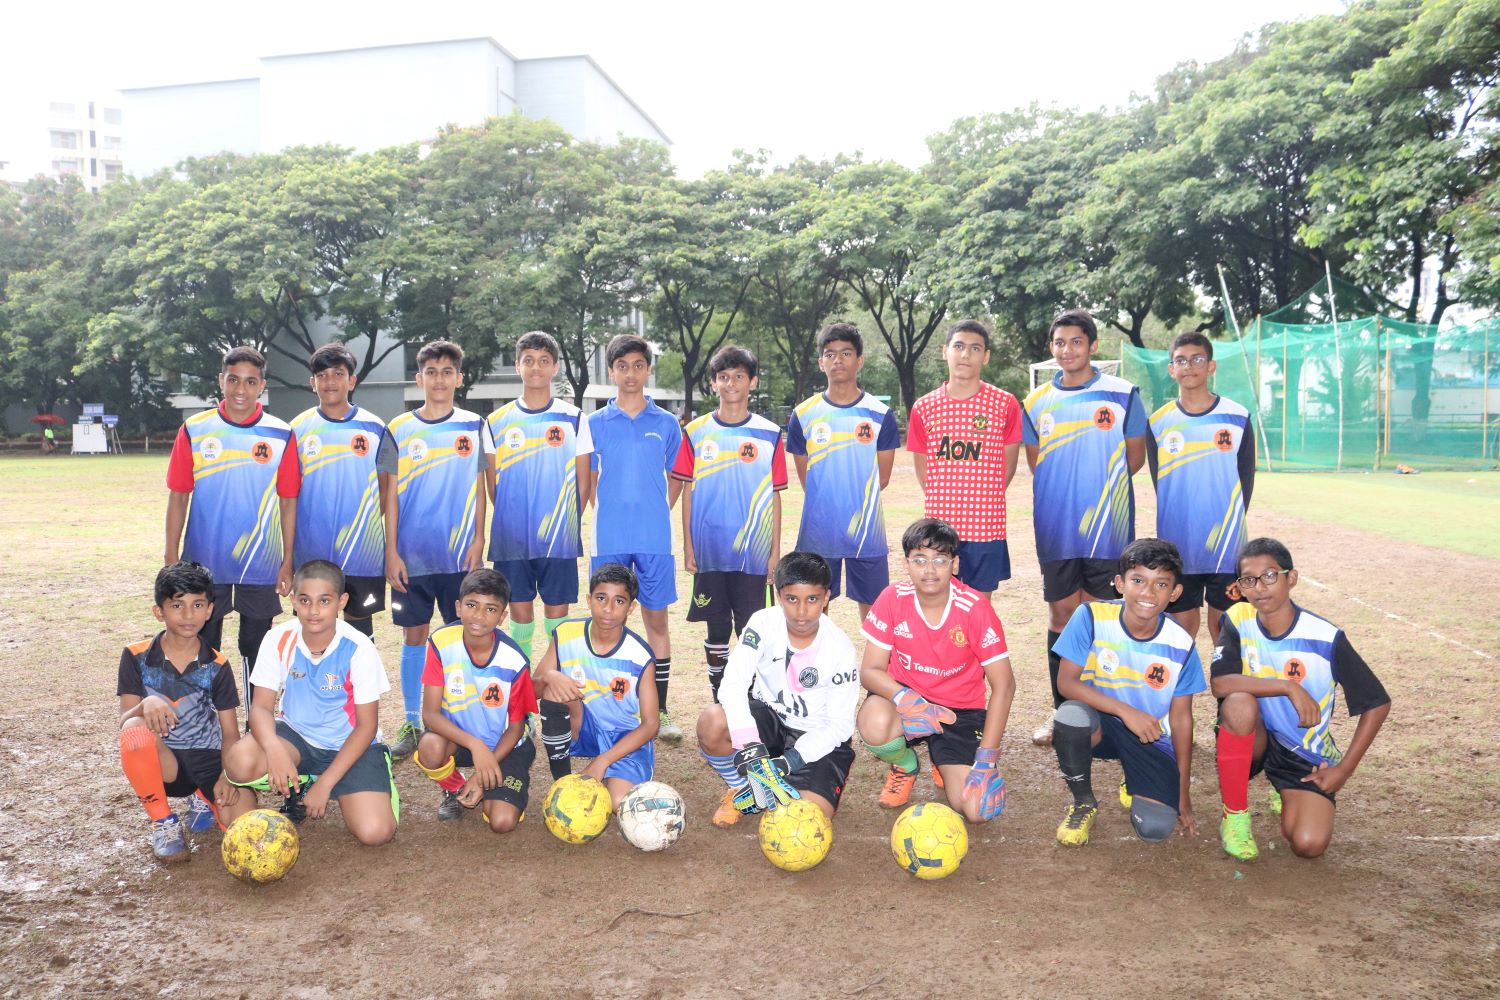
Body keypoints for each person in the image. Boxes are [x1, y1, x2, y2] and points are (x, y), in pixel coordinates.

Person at [1211, 537, 1391, 861]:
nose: (1259, 587)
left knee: (1308, 844)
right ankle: (1234, 816)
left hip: (1302, 751)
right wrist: (1288, 687)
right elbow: (1220, 683)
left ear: (1291, 578)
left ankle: (1286, 792)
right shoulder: (1238, 619)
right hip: (1256, 735)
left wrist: (1344, 770)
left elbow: (1377, 703)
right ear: (1240, 587)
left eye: (1270, 576)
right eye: (1248, 579)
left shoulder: (1324, 638)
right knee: (1238, 703)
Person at [1022, 309, 1147, 745]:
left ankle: (1103, 715)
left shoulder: (1122, 394)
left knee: (1101, 617)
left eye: (1076, 341)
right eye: (1059, 342)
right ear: (1051, 348)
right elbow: (1038, 463)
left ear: (1093, 345)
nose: (1067, 350)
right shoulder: (1035, 402)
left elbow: (1134, 458)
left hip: (1107, 529)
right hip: (1056, 527)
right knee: (1061, 614)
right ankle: (1065, 714)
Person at [164, 345, 300, 713]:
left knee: (256, 643)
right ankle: (205, 719)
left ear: (262, 386)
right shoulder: (195, 429)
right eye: (234, 380)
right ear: (221, 381)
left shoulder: (281, 434)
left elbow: (288, 501)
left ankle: (257, 722)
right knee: (204, 644)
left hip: (261, 563)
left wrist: (287, 560)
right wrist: (171, 556)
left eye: (251, 382)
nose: (241, 389)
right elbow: (178, 495)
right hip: (204, 561)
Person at [224, 560, 397, 845]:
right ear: (293, 600)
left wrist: (326, 784)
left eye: (324, 601)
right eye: (305, 600)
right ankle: (301, 782)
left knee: (375, 833)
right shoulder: (278, 638)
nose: (313, 610)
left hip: (349, 744)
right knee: (239, 761)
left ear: (342, 601)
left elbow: (367, 726)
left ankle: (342, 778)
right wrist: (274, 750)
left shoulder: (359, 647)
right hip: (297, 737)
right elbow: (261, 707)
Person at [857, 518, 1014, 822]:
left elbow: (1004, 686)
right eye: (920, 560)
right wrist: (905, 698)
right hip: (909, 706)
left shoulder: (974, 608)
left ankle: (945, 761)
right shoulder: (892, 598)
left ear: (955, 564)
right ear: (906, 564)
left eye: (940, 560)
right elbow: (870, 671)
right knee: (874, 722)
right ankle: (905, 764)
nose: (929, 570)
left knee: (977, 810)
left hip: (959, 712)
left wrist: (986, 758)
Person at [1050, 538, 1204, 847]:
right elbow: (1066, 683)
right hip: (1100, 724)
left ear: (1175, 593)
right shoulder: (1090, 616)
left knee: (1155, 830)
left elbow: (1182, 719)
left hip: (1148, 735)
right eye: (1138, 581)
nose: (1148, 593)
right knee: (1070, 718)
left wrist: (1182, 791)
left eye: (1161, 584)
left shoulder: (1182, 644)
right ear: (1120, 584)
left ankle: (1134, 776)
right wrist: (1125, 711)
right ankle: (1083, 802)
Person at [380, 340, 489, 760]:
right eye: (431, 372)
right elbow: (389, 496)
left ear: (458, 378)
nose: (439, 379)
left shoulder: (474, 426)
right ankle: (412, 720)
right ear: (418, 378)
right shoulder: (399, 428)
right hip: (412, 557)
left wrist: (478, 539)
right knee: (415, 634)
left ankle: (460, 718)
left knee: (462, 634)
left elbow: (479, 489)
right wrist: (392, 551)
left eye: (447, 372)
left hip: (459, 556)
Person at [696, 551, 858, 827]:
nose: (802, 612)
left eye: (812, 599)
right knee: (713, 721)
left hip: (814, 735)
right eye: (792, 599)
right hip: (769, 722)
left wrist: (790, 761)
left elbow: (839, 726)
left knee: (804, 822)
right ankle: (742, 787)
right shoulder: (762, 623)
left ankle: (778, 778)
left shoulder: (840, 648)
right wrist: (750, 745)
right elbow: (733, 683)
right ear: (778, 595)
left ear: (826, 598)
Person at [575, 334, 684, 740]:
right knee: (606, 621)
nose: (631, 373)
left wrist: (657, 510)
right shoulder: (594, 424)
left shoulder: (667, 423)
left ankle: (662, 709)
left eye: (639, 365)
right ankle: (606, 707)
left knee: (656, 620)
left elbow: (677, 476)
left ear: (648, 369)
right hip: (610, 539)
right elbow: (588, 481)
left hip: (654, 539)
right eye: (622, 366)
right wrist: (610, 513)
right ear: (611, 372)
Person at [118, 562, 256, 862]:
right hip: (166, 763)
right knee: (135, 731)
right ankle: (163, 821)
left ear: (209, 611)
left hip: (209, 759)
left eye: (197, 605)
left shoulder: (217, 665)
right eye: (177, 605)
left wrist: (228, 777)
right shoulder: (135, 656)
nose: (188, 615)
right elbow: (125, 721)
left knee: (246, 828)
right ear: (159, 611)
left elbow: (230, 733)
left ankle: (203, 796)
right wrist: (145, 704)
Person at [673, 344, 787, 703]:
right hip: (710, 550)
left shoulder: (769, 433)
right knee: (717, 624)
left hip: (753, 553)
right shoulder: (695, 431)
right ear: (713, 383)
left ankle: (752, 697)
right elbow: (688, 491)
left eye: (739, 376)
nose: (731, 383)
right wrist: (689, 545)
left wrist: (774, 552)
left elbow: (775, 496)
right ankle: (719, 697)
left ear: (752, 382)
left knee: (752, 627)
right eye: (723, 377)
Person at [784, 323, 900, 619]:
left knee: (875, 614)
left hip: (867, 532)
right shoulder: (803, 414)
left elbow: (883, 477)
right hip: (818, 531)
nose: (838, 360)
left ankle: (872, 655)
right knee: (814, 610)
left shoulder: (880, 414)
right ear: (821, 363)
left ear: (859, 360)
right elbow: (807, 479)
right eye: (830, 354)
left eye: (846, 353)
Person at [1146, 331, 1255, 644]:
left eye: (1197, 359)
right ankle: (1181, 679)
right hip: (1178, 542)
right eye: (1181, 360)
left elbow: (1245, 482)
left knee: (1226, 630)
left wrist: (1226, 524)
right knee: (1179, 632)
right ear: (1172, 369)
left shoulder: (1237, 417)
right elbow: (1160, 482)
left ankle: (1226, 680)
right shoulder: (1158, 422)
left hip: (1226, 544)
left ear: (1211, 366)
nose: (1189, 366)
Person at [482, 331, 583, 660]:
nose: (536, 367)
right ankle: (523, 682)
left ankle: (555, 680)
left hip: (559, 538)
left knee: (557, 618)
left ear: (555, 367)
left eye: (543, 361)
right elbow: (493, 486)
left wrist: (564, 522)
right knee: (519, 615)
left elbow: (583, 484)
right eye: (529, 360)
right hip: (512, 537)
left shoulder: (574, 418)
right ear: (517, 366)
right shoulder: (496, 421)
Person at [413, 568, 538, 832]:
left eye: (490, 609)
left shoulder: (515, 661)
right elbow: (430, 715)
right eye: (472, 605)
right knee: (430, 747)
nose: (479, 616)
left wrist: (482, 777)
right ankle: (456, 788)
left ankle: (494, 784)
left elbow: (516, 728)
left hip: (506, 746)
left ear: (502, 617)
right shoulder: (440, 642)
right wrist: (475, 744)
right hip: (460, 739)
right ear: (458, 607)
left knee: (502, 822)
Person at [906, 319, 1023, 598]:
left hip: (986, 526)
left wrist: (984, 498)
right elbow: (924, 471)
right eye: (958, 346)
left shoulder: (1005, 404)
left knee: (979, 605)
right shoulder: (924, 407)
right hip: (939, 529)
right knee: (939, 603)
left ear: (986, 356)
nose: (965, 354)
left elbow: (1007, 466)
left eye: (975, 348)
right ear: (945, 351)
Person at [531, 563, 660, 807]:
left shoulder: (640, 656)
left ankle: (611, 767)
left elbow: (651, 724)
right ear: (589, 599)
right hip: (583, 727)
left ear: (631, 607)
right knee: (554, 688)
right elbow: (531, 690)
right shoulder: (566, 634)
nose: (608, 608)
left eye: (619, 601)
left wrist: (602, 761)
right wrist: (549, 676)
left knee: (617, 802)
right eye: (601, 598)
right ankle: (563, 782)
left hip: (624, 735)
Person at [289, 343, 389, 640]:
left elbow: (385, 488)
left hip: (363, 553)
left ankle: (361, 673)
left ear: (352, 380)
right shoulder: (297, 429)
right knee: (314, 623)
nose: (330, 381)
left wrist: (365, 526)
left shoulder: (375, 427)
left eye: (338, 374)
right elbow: (289, 493)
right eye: (322, 375)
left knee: (360, 626)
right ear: (312, 383)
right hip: (312, 550)